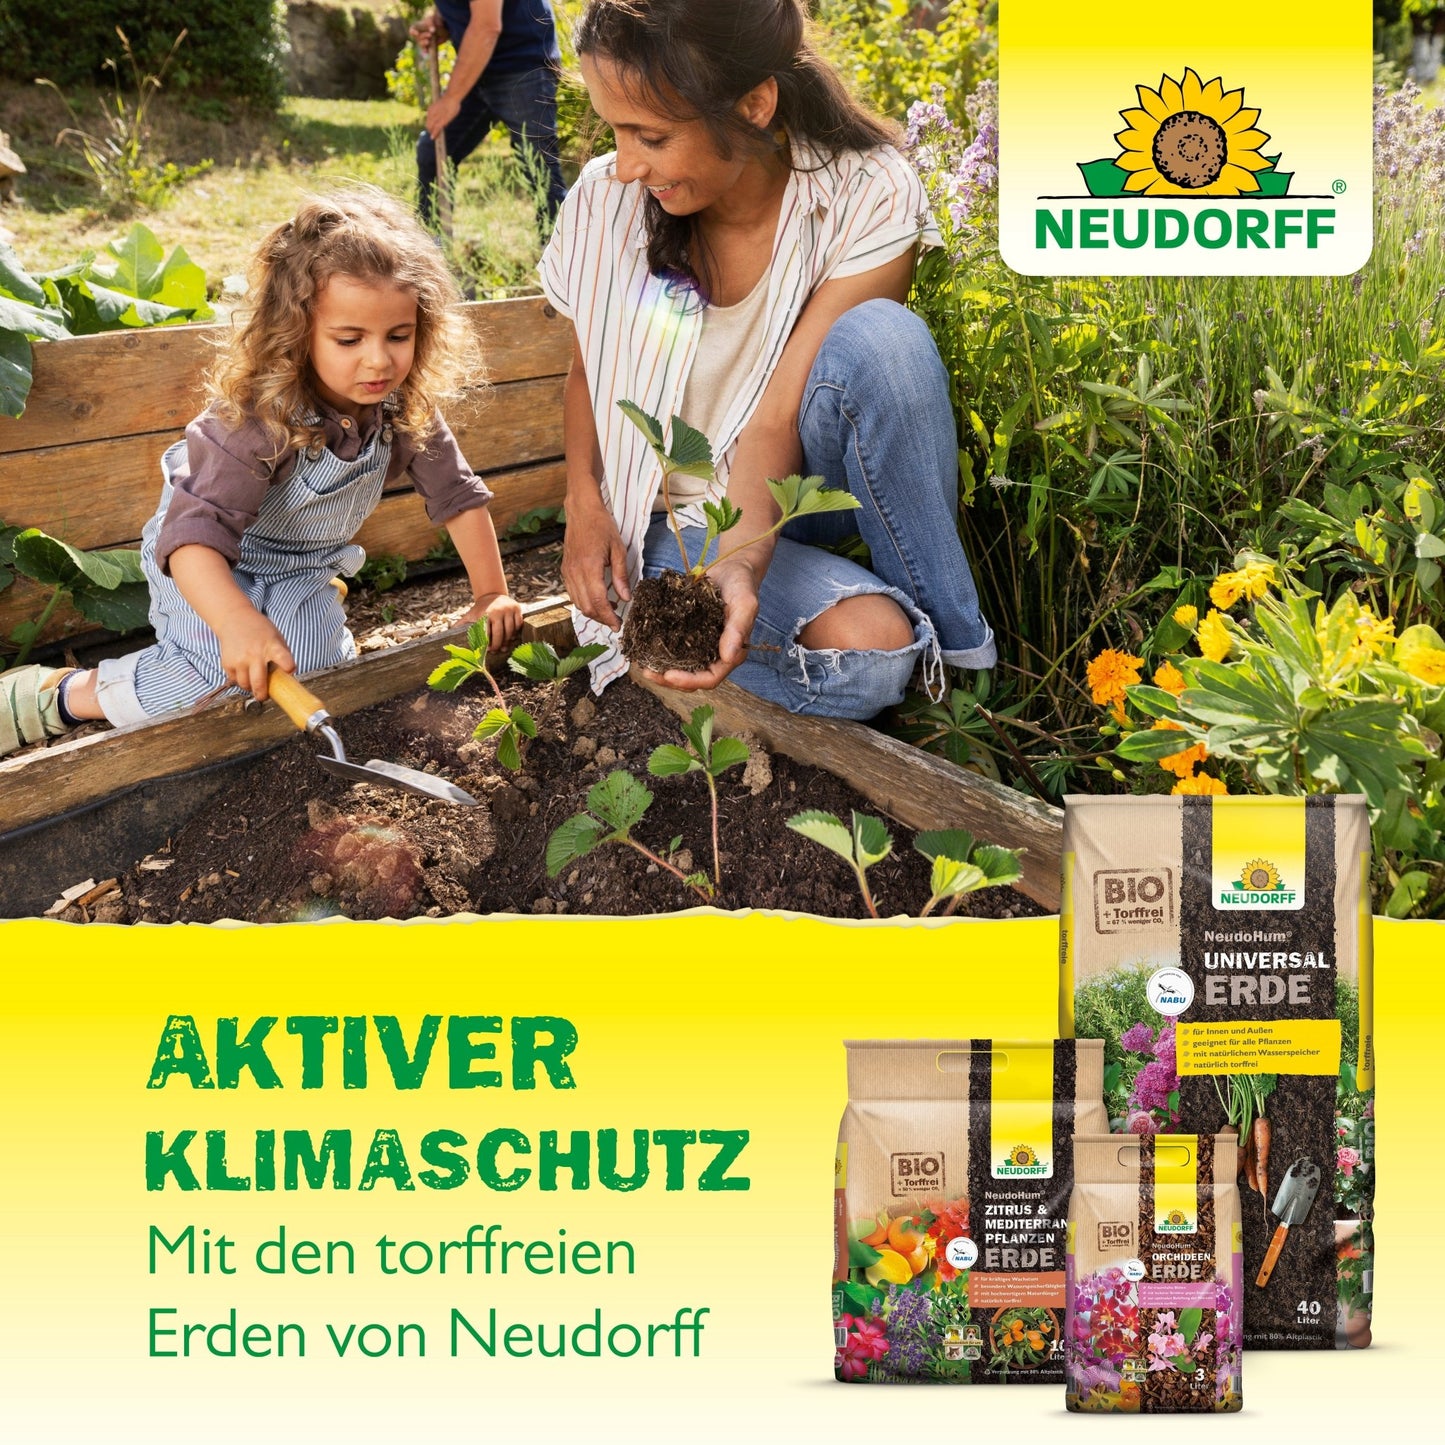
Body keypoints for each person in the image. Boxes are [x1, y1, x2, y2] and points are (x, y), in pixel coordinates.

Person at [542, 0, 995, 721]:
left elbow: (777, 415)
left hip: (789, 492)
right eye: (613, 129)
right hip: (667, 515)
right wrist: (584, 500)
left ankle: (961, 673)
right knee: (869, 654)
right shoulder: (603, 203)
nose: (624, 165)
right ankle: (895, 658)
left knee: (885, 338)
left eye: (650, 135)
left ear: (754, 105)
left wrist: (742, 561)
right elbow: (588, 368)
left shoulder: (864, 190)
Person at [0, 188, 522, 757]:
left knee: (308, 675)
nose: (379, 360)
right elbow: (194, 540)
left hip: (300, 564)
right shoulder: (258, 419)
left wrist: (491, 592)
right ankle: (62, 694)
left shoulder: (404, 405)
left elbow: (458, 496)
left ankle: (305, 605)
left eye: (398, 336)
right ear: (298, 333)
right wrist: (236, 622)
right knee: (216, 681)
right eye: (349, 340)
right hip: (206, 565)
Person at [411, 0, 569, 228]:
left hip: (523, 63)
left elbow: (486, 27)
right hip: (479, 66)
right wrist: (441, 23)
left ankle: (559, 256)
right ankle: (430, 249)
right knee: (434, 152)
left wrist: (451, 99)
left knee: (540, 170)